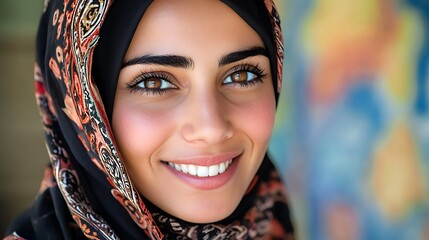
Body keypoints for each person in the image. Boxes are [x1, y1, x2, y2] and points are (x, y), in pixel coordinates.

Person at [5, 0, 294, 239]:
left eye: (241, 76)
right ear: (82, 107)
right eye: (154, 83)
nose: (211, 128)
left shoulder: (272, 222)